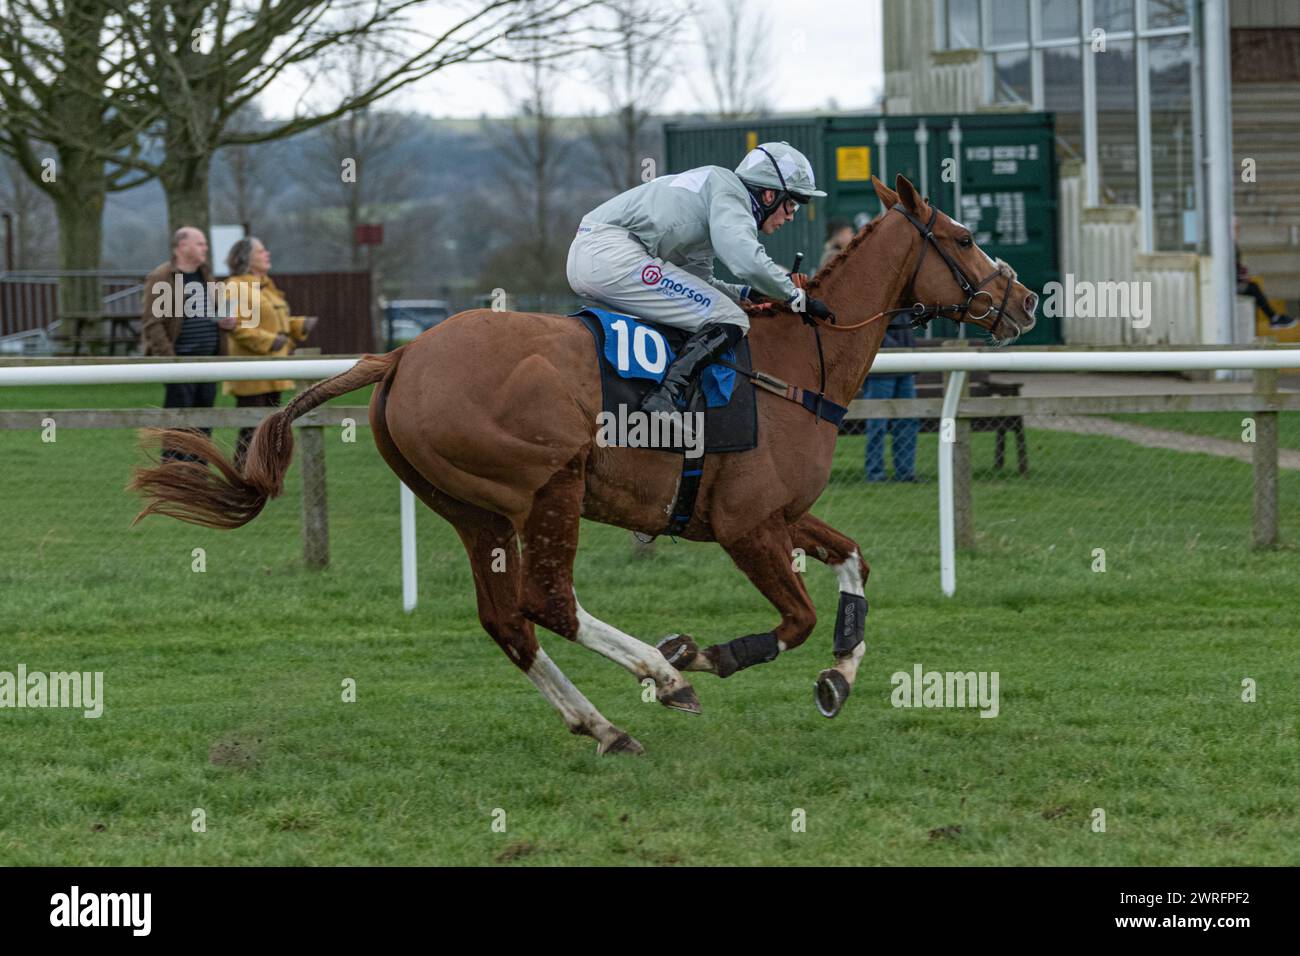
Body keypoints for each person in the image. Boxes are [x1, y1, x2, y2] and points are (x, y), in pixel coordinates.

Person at [567, 141, 833, 415]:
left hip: (599, 253)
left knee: (716, 310)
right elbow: (746, 260)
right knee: (730, 318)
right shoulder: (731, 192)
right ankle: (665, 397)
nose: (790, 217)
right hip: (610, 254)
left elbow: (699, 281)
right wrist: (794, 295)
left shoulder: (710, 200)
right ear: (769, 195)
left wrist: (747, 294)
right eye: (791, 205)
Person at [140, 226, 237, 461]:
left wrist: (226, 322)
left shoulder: (206, 275)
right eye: (200, 243)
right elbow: (152, 323)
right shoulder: (161, 276)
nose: (206, 248)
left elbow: (215, 313)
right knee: (177, 424)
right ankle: (172, 474)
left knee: (203, 426)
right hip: (181, 363)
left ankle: (198, 477)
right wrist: (171, 360)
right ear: (182, 246)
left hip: (209, 363)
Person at [222, 236, 318, 469]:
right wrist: (271, 342)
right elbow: (237, 328)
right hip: (252, 374)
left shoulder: (266, 285)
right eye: (262, 251)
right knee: (251, 431)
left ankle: (263, 475)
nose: (268, 254)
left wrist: (298, 325)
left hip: (275, 371)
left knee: (271, 430)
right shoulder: (236, 287)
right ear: (247, 258)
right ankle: (242, 476)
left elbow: (275, 321)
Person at [862, 314, 919, 482]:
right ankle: (875, 473)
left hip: (906, 368)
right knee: (877, 424)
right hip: (881, 371)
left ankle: (906, 473)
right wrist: (899, 351)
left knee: (909, 421)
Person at [1236, 217, 1295, 329]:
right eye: (1236, 228)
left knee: (1253, 288)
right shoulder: (1228, 244)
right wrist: (1240, 276)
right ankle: (1273, 318)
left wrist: (1241, 273)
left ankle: (1273, 318)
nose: (1238, 231)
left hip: (1233, 281)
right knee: (1253, 288)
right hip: (1228, 284)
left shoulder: (1231, 244)